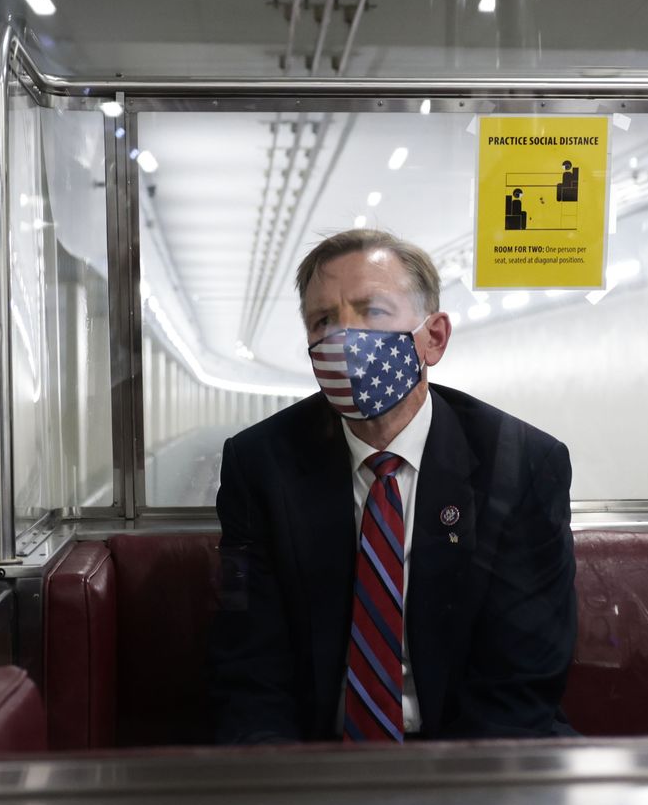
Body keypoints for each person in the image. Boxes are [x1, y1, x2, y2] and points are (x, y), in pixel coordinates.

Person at [206, 228, 577, 743]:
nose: (344, 337)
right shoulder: (262, 465)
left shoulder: (519, 465)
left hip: (474, 757)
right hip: (316, 758)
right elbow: (250, 666)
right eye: (324, 320)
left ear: (434, 337)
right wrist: (283, 794)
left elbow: (522, 678)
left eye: (372, 311)